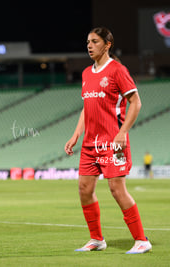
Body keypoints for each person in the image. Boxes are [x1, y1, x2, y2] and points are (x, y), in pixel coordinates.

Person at [64, 27, 152, 254]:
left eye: (94, 41)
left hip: (113, 143)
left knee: (116, 189)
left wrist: (122, 132)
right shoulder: (86, 73)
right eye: (87, 42)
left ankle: (141, 240)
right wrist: (76, 134)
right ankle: (96, 239)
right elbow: (87, 108)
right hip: (90, 143)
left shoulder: (117, 70)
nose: (89, 46)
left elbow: (136, 102)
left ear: (107, 44)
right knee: (84, 189)